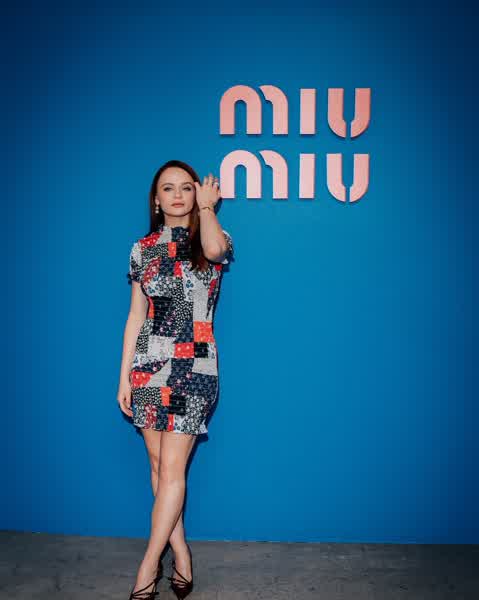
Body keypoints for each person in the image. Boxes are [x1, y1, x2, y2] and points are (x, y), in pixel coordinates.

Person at [117, 160, 234, 599]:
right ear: (156, 199)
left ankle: (148, 566)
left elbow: (216, 251)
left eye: (187, 187)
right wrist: (124, 377)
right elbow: (136, 316)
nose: (178, 195)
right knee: (157, 466)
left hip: (195, 366)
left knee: (171, 470)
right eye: (168, 188)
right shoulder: (142, 249)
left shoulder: (212, 237)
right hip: (149, 363)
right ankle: (181, 552)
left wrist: (207, 209)